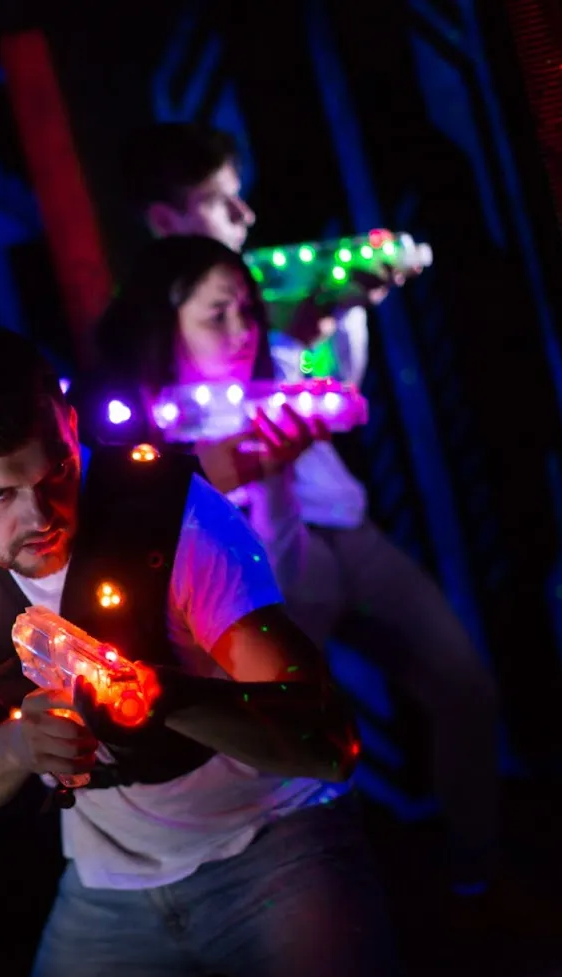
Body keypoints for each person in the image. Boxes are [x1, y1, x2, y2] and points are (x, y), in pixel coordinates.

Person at [0, 327, 407, 977]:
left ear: (71, 427)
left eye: (58, 471)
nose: (41, 515)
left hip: (277, 850)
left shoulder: (178, 517)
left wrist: (161, 697)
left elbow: (328, 743)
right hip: (109, 886)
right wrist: (20, 744)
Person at [120, 123, 505, 903]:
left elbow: (331, 392)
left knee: (462, 684)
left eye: (242, 311)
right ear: (166, 219)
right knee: (299, 744)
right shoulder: (153, 336)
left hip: (341, 530)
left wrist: (336, 318)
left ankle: (474, 880)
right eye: (220, 201)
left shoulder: (265, 296)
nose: (244, 215)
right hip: (257, 555)